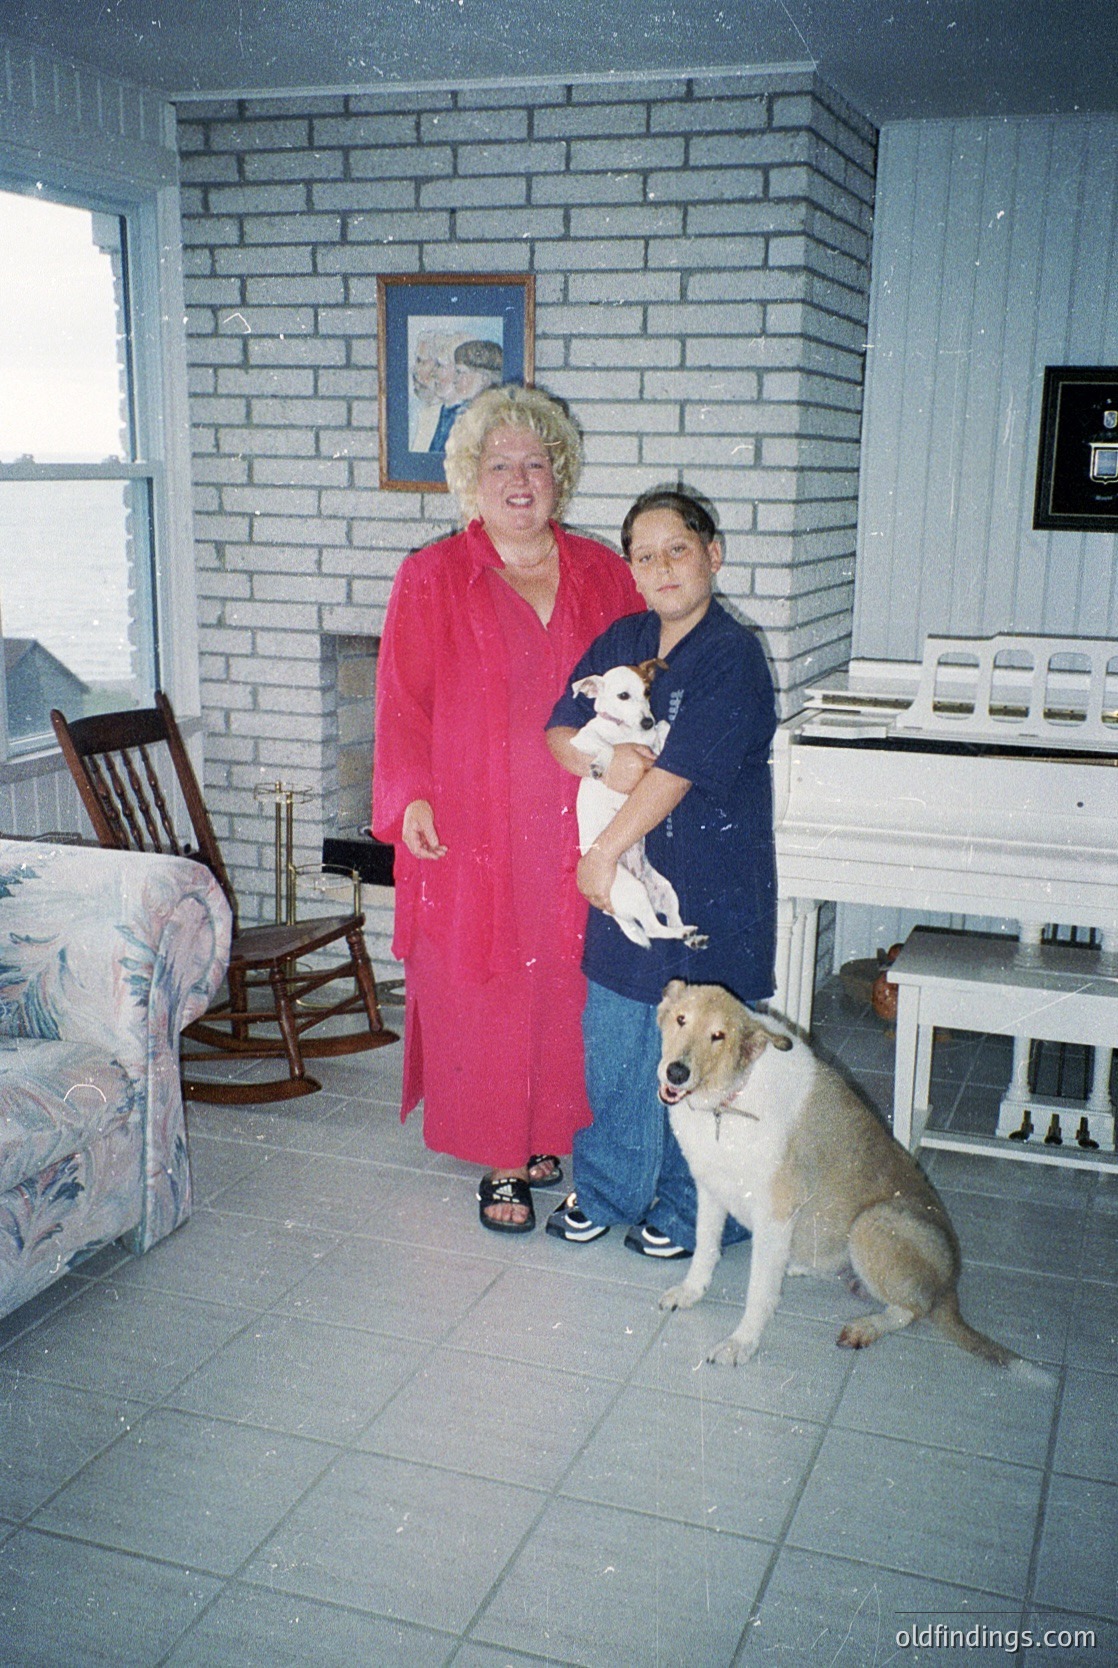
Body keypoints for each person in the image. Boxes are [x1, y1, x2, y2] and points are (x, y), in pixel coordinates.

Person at [371, 385, 643, 1232]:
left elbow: (643, 684)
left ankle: (554, 1136)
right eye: (499, 465)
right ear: (471, 481)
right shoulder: (431, 576)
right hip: (473, 822)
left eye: (535, 463)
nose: (519, 480)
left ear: (558, 475)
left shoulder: (604, 572)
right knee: (481, 984)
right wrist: (409, 793)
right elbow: (400, 702)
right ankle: (500, 1158)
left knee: (570, 978)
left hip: (577, 815)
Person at [543, 485, 778, 1257]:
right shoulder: (624, 635)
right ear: (631, 570)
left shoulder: (732, 656)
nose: (662, 567)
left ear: (713, 553)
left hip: (710, 887)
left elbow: (676, 772)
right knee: (614, 1041)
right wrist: (599, 759)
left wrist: (601, 854)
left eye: (678, 548)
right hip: (630, 887)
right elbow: (557, 729)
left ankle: (693, 1210)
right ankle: (608, 1189)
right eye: (644, 555)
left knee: (705, 1064)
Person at [429, 339, 504, 453]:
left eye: (461, 372)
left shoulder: (493, 417)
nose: (455, 380)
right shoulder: (461, 413)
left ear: (484, 378)